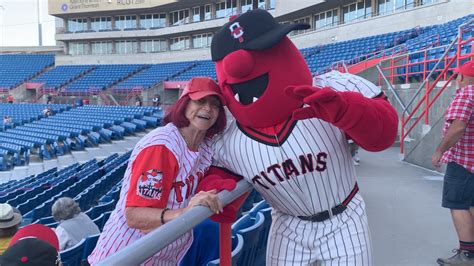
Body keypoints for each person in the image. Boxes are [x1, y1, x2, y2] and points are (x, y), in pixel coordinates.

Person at [201, 9, 398, 265]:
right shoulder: (227, 135)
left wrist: (346, 110)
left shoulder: (331, 89)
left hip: (344, 218)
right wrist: (216, 187)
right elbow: (219, 173)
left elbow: (382, 137)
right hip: (286, 225)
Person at [88, 77, 229, 265]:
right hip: (127, 253)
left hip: (162, 254)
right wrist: (185, 213)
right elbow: (136, 216)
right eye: (201, 101)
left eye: (215, 104)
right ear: (185, 104)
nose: (208, 109)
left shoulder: (204, 146)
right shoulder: (162, 146)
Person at [432, 60, 474, 265]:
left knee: (458, 204)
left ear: (462, 77)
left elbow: (457, 128)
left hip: (463, 161)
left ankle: (467, 255)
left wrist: (439, 150)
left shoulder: (466, 94)